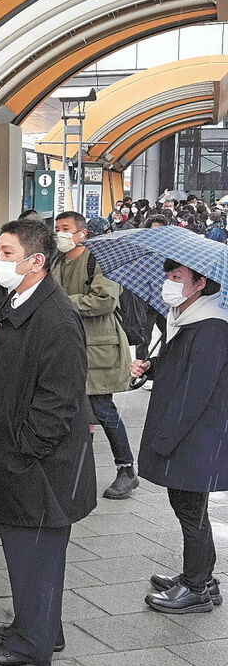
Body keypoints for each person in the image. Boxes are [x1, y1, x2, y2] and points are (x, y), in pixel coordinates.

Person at [0, 219, 97, 666]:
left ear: (35, 261)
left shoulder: (57, 318)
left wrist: (23, 449)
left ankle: (30, 646)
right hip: (15, 456)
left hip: (36, 467)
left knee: (34, 556)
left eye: (5, 253)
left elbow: (59, 402)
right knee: (31, 558)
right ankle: (40, 627)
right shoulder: (18, 300)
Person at [131, 260, 227, 614]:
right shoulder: (185, 317)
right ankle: (203, 576)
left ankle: (196, 586)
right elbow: (182, 367)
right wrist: (153, 366)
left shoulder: (211, 325)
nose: (168, 284)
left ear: (200, 283)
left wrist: (166, 437)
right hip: (191, 431)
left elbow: (198, 389)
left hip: (196, 433)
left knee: (189, 508)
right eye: (167, 276)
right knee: (191, 506)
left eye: (176, 278)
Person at [51, 211, 138, 500]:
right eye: (57, 228)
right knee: (74, 410)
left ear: (81, 233)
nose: (59, 233)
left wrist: (62, 303)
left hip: (99, 346)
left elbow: (105, 299)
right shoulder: (57, 260)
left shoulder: (98, 260)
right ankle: (78, 471)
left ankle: (126, 469)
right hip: (68, 345)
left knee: (101, 408)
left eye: (65, 229)